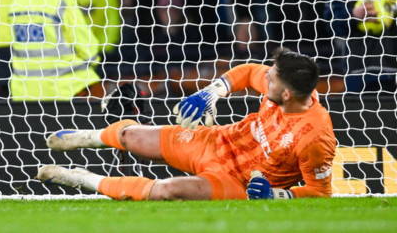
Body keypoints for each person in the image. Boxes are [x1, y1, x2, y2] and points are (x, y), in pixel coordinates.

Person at [37, 48, 335, 200]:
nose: (265, 76)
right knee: (132, 136)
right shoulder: (281, 85)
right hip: (220, 141)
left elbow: (320, 192)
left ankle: (80, 178)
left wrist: (276, 195)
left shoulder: (314, 137)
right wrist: (211, 93)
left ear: (286, 93)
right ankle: (90, 137)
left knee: (166, 191)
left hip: (236, 183)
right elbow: (246, 72)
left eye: (271, 77)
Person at [8, 0, 103, 101]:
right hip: (64, 89)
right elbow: (87, 46)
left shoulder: (17, 3)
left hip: (23, 92)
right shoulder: (61, 0)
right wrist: (94, 60)